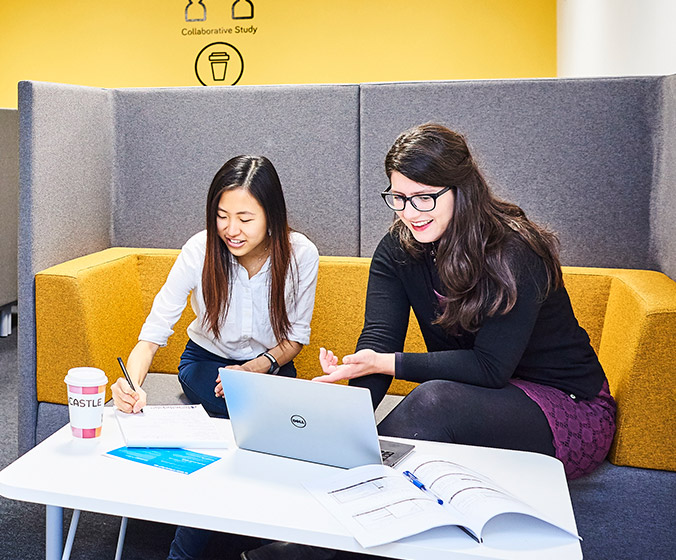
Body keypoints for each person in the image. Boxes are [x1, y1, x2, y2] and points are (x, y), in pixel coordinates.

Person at [241, 125, 617, 560]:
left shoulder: (515, 249)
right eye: (398, 197)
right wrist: (348, 415)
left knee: (433, 401)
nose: (410, 211)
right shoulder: (398, 249)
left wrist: (386, 365)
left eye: (424, 197)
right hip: (482, 398)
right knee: (413, 418)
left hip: (567, 404)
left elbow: (489, 367)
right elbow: (379, 340)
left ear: (462, 190)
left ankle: (322, 548)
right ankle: (320, 524)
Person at [110, 155, 319, 560]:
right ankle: (188, 552)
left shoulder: (300, 254)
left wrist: (256, 367)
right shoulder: (199, 250)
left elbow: (294, 339)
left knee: (274, 423)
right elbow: (151, 337)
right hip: (205, 363)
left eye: (245, 217)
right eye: (222, 216)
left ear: (271, 215)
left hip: (271, 367)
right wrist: (131, 384)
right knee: (235, 408)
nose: (231, 229)